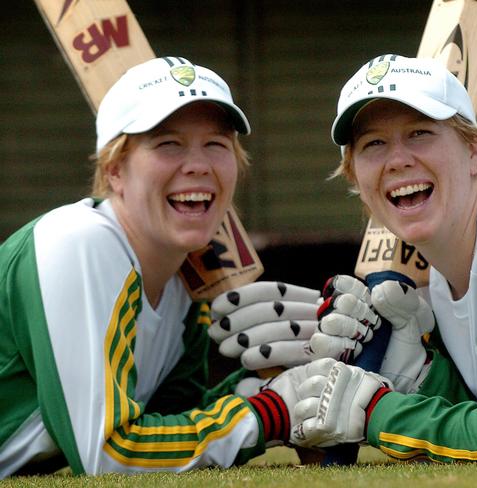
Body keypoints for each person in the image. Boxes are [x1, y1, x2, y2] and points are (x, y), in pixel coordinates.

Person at [214, 54, 477, 463]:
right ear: (354, 176)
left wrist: (377, 413)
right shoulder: (441, 277)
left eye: (420, 133)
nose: (398, 160)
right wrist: (416, 377)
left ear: (474, 150)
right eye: (373, 144)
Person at [0, 56, 325, 477]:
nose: (198, 165)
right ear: (115, 170)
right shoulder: (79, 241)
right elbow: (109, 455)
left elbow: (173, 426)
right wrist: (268, 415)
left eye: (216, 144)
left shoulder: (186, 281)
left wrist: (277, 390)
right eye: (168, 144)